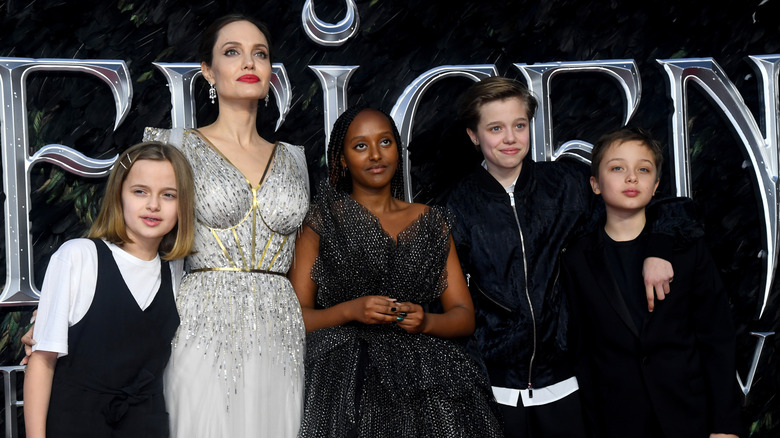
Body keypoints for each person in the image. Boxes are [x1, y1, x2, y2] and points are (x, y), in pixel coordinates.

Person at [446, 76, 697, 438]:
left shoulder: (568, 185)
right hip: (494, 390)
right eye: (496, 128)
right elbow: (444, 301)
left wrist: (658, 249)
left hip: (566, 382)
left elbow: (667, 208)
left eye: (519, 125)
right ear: (474, 135)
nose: (511, 139)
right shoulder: (456, 205)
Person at [288, 106, 503, 437]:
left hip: (427, 383)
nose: (376, 155)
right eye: (360, 146)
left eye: (385, 142)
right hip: (344, 385)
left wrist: (426, 320)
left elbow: (463, 317)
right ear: (342, 159)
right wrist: (350, 310)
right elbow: (295, 318)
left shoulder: (431, 221)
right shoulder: (321, 223)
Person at [142, 14, 309, 437]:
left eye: (260, 54)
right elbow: (130, 244)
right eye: (232, 53)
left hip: (281, 328)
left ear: (271, 72)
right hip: (201, 322)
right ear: (208, 71)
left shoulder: (296, 158)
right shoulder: (173, 146)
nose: (248, 63)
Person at [561, 127, 742, 438]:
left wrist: (725, 426)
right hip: (617, 421)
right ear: (595, 184)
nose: (631, 178)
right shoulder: (577, 258)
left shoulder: (686, 249)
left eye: (643, 169)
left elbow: (718, 338)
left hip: (690, 417)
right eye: (617, 168)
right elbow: (582, 355)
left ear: (656, 185)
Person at [23, 141, 195, 438]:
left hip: (146, 425)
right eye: (140, 191)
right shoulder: (78, 256)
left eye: (168, 195)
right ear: (119, 196)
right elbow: (42, 361)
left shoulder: (179, 276)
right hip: (75, 423)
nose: (153, 205)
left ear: (183, 206)